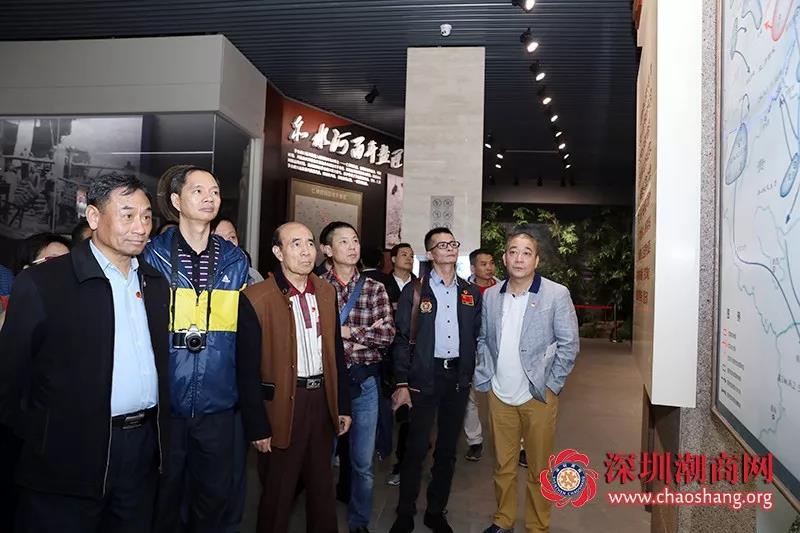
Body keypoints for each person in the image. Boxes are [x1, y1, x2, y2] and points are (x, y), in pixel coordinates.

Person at [0, 173, 172, 533]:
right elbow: (10, 377)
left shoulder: (155, 284)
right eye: (127, 215)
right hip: (65, 458)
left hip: (140, 451)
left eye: (146, 216)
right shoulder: (45, 283)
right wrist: (44, 435)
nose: (141, 226)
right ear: (93, 217)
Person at [143, 165, 265, 533]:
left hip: (218, 406)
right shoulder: (150, 257)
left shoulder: (235, 261)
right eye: (198, 191)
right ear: (176, 200)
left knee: (213, 502)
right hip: (166, 404)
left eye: (214, 191)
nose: (209, 197)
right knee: (163, 501)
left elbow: (245, 343)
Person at [237, 222, 352, 533]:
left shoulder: (326, 292)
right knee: (278, 492)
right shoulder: (256, 298)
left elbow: (336, 352)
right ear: (278, 252)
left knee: (322, 489)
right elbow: (246, 370)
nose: (306, 251)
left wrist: (342, 405)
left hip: (321, 400)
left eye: (310, 243)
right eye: (296, 244)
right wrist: (257, 425)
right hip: (283, 405)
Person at [475, 231, 579, 533]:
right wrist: (486, 373)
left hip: (538, 395)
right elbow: (483, 338)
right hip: (499, 394)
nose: (519, 258)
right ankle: (503, 519)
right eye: (513, 251)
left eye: (526, 252)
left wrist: (552, 385)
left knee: (539, 467)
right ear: (504, 258)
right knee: (502, 465)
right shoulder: (492, 295)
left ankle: (537, 525)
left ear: (537, 259)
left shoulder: (556, 294)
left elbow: (569, 344)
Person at [389, 227, 482, 533]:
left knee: (447, 451)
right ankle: (405, 513)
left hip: (457, 379)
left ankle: (435, 511)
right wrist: (401, 382)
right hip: (423, 378)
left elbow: (475, 336)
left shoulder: (470, 293)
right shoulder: (415, 291)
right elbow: (401, 339)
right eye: (442, 245)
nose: (450, 248)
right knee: (416, 450)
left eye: (453, 243)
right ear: (430, 254)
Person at [319, 222, 396, 533]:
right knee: (321, 461)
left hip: (364, 382)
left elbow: (387, 335)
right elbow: (313, 336)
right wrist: (361, 336)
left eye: (355, 240)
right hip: (326, 385)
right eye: (343, 241)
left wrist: (344, 331)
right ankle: (321, 518)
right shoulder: (316, 287)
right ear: (327, 249)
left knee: (363, 463)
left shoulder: (374, 288)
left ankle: (359, 521)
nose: (352, 247)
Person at [383, 242, 416, 486]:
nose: (409, 258)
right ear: (393, 259)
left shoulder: (421, 286)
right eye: (404, 254)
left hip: (411, 356)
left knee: (408, 414)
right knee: (385, 411)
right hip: (384, 355)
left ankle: (403, 463)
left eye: (412, 255)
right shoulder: (381, 285)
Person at [463, 248, 498, 462]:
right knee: (469, 398)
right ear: (473, 268)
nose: (489, 268)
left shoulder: (504, 288)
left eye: (491, 263)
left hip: (497, 350)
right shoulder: (463, 290)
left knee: (504, 397)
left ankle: (518, 445)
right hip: (470, 349)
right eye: (483, 264)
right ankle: (474, 442)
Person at [212, 216, 264, 285]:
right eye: (218, 238)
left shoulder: (252, 275)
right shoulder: (201, 275)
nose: (228, 243)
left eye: (232, 237)